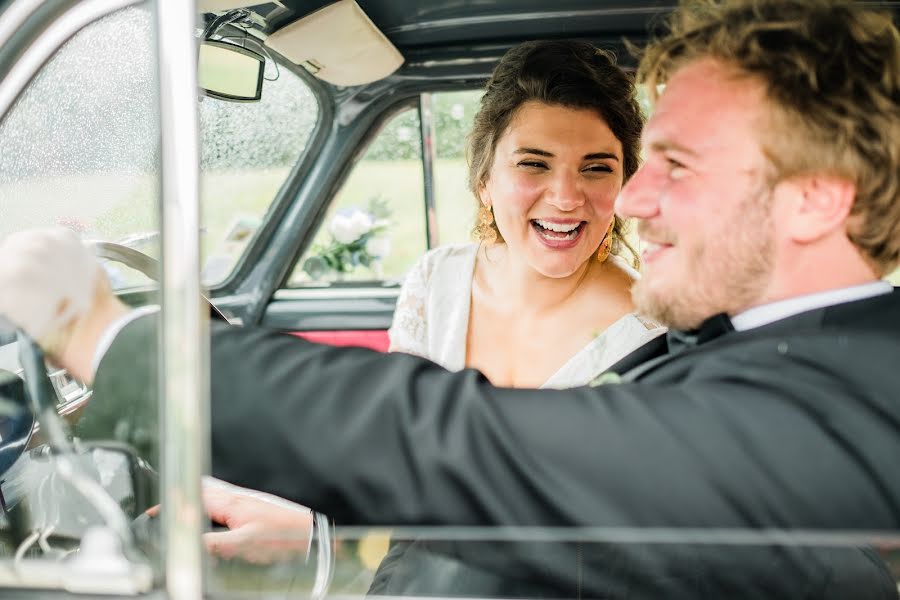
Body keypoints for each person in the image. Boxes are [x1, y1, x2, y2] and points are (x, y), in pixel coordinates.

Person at [1, 0, 899, 597]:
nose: (625, 200)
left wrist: (102, 333)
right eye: (644, 157)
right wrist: (323, 536)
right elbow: (555, 515)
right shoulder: (769, 352)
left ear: (816, 196)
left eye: (676, 164)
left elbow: (470, 446)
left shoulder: (836, 406)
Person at [388, 39, 663, 389]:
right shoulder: (434, 280)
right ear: (484, 180)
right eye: (533, 164)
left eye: (595, 168)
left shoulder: (649, 333)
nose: (565, 198)